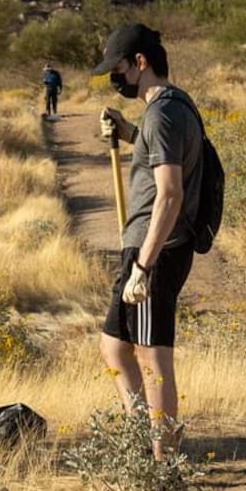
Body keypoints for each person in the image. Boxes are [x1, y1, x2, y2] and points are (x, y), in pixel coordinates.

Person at [92, 24, 202, 460]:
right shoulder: (169, 108)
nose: (113, 80)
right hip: (143, 247)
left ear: (140, 63)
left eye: (117, 69)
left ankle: (163, 455)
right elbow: (161, 152)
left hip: (155, 250)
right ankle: (142, 440)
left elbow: (170, 192)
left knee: (151, 354)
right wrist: (127, 134)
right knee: (115, 345)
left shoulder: (163, 113)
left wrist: (143, 265)